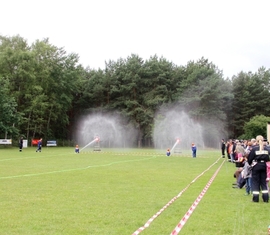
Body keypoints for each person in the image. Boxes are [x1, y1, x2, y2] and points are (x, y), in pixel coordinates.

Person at [248, 135, 270, 203]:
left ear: (256, 141)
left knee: (255, 182)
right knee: (263, 182)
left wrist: (251, 164)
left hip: (256, 166)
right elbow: (268, 158)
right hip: (263, 166)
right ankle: (266, 198)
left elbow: (250, 159)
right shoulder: (266, 149)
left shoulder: (254, 149)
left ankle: (255, 199)